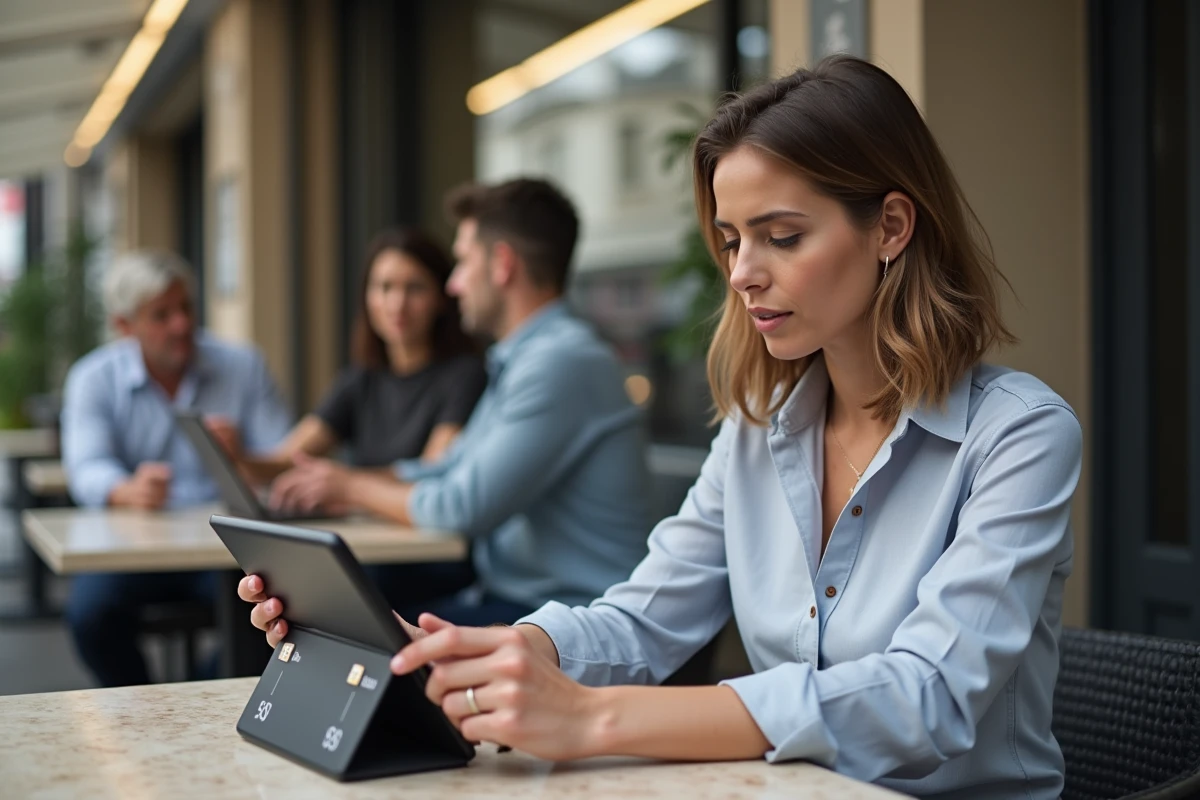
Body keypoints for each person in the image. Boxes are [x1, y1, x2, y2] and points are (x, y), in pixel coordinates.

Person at [244, 56, 1082, 798]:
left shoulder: (1019, 437)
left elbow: (925, 698)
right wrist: (480, 651)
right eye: (732, 240)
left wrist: (592, 718)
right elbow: (642, 620)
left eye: (781, 237)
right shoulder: (760, 431)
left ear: (891, 227)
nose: (742, 274)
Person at [267, 178, 652, 625]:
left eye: (464, 261)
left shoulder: (560, 362)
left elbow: (461, 507)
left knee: (344, 631)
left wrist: (352, 488)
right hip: (521, 604)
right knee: (335, 623)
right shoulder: (522, 359)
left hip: (572, 620)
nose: (453, 285)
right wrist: (341, 485)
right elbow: (450, 467)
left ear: (502, 264)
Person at [62, 249, 291, 687]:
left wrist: (244, 457)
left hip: (225, 548)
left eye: (186, 308)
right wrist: (125, 489)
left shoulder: (243, 365)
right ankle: (143, 707)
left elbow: (284, 459)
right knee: (90, 615)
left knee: (278, 609)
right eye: (161, 315)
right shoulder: (93, 378)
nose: (181, 324)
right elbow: (86, 467)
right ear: (124, 325)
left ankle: (196, 693)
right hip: (127, 548)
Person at [234, 228, 486, 478]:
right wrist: (236, 457)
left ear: (442, 297)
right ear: (366, 297)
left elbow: (432, 472)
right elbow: (286, 460)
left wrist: (342, 484)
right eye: (385, 287)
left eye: (415, 288)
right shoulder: (361, 380)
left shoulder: (465, 376)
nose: (397, 304)